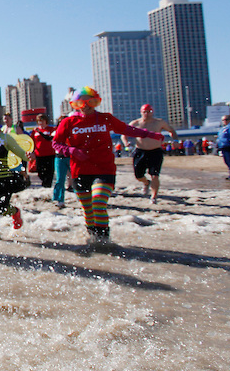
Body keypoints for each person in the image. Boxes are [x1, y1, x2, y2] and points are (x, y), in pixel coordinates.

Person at [53, 87, 163, 252]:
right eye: (81, 102)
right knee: (88, 210)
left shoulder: (105, 118)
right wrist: (72, 151)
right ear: (76, 104)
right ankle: (93, 240)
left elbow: (127, 129)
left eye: (90, 101)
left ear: (96, 101)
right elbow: (56, 144)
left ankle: (104, 241)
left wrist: (150, 134)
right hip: (79, 171)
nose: (86, 105)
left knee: (98, 203)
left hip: (104, 169)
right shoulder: (68, 122)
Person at [122, 104, 177, 204]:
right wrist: (126, 143)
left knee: (155, 175)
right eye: (145, 112)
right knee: (138, 175)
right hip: (140, 151)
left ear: (152, 112)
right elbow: (124, 135)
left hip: (155, 151)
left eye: (149, 112)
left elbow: (171, 130)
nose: (147, 114)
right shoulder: (136, 123)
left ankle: (154, 197)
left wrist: (175, 139)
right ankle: (146, 183)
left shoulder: (159, 122)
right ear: (141, 112)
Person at [30, 113, 56, 189]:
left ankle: (47, 185)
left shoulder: (51, 129)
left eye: (42, 120)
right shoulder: (35, 131)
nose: (41, 122)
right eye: (39, 121)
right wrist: (32, 152)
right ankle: (44, 182)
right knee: (40, 171)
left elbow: (51, 138)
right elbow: (32, 142)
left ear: (46, 121)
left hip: (50, 154)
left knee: (49, 171)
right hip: (39, 154)